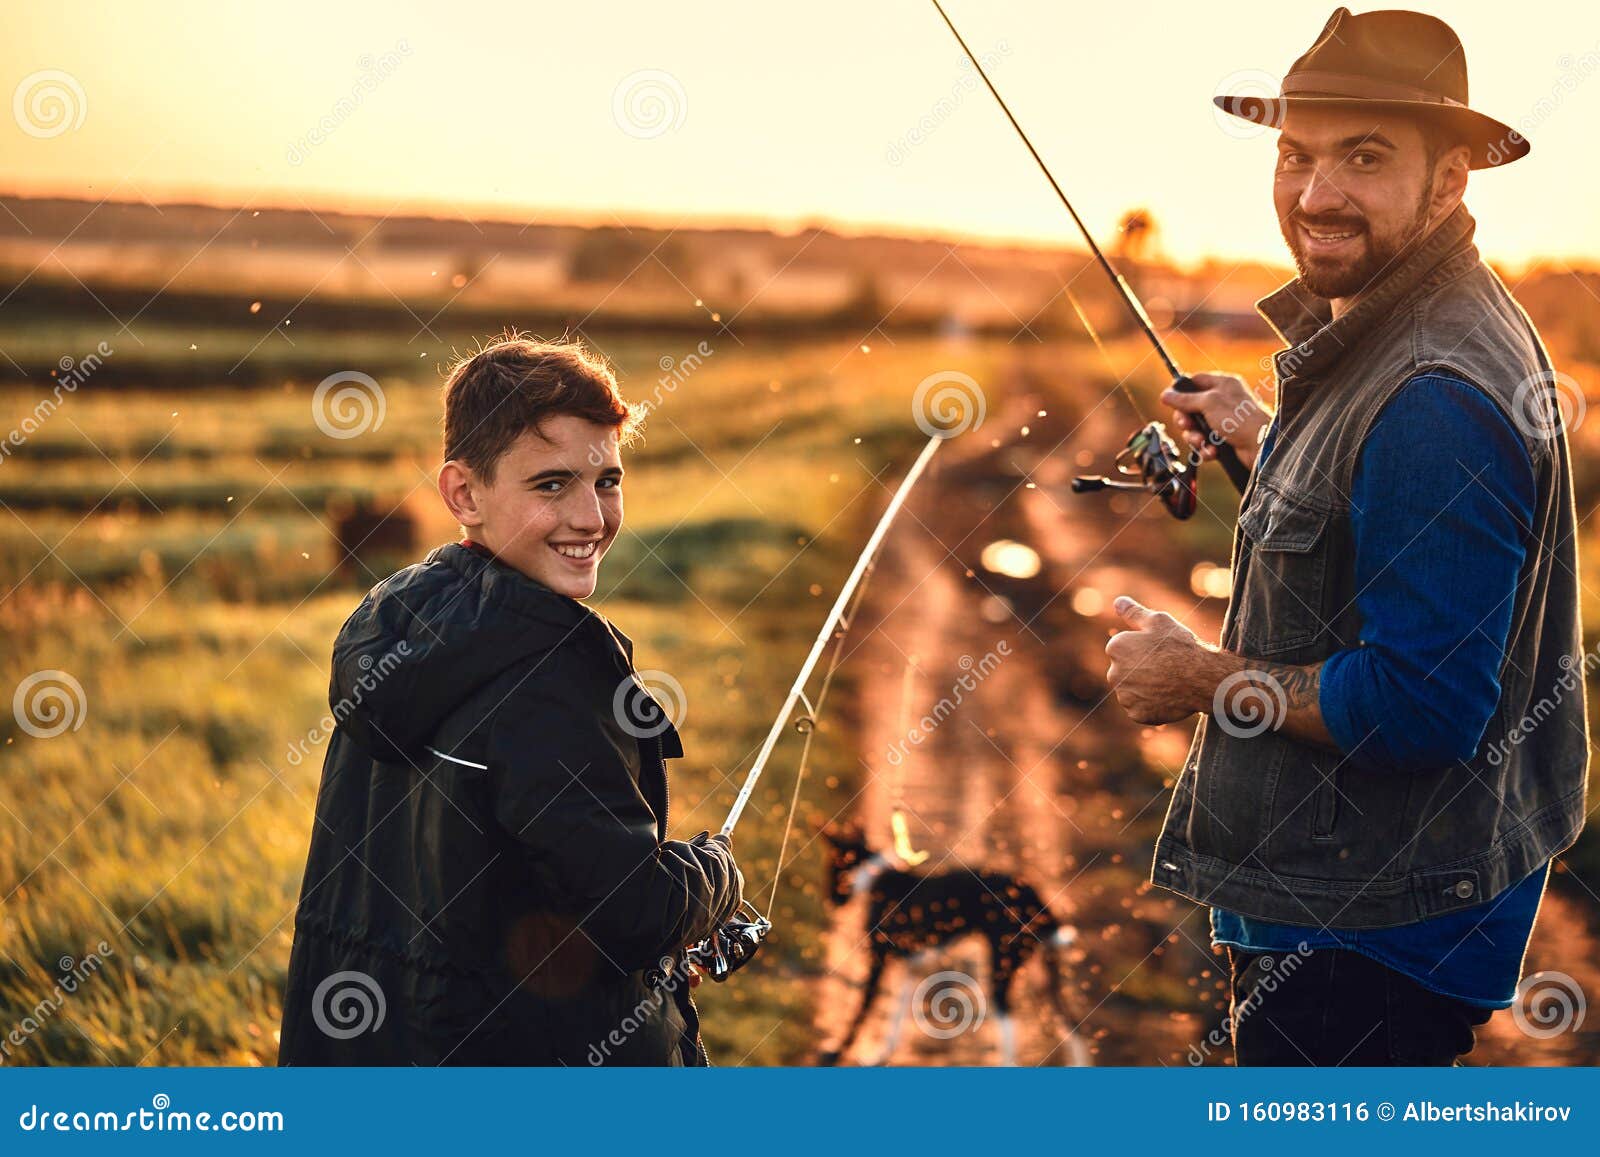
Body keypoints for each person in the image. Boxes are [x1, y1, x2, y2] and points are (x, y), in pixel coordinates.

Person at [1103, 8, 1587, 1065]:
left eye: (1364, 158)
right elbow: (1387, 524)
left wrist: (1195, 680)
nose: (1315, 194)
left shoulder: (1430, 390)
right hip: (1369, 907)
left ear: (1450, 178)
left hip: (1363, 935)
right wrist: (1256, 438)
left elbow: (1418, 707)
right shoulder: (1407, 334)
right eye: (1295, 154)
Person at [278, 335, 743, 1066]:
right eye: (552, 485)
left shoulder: (396, 621)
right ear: (464, 493)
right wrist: (717, 872)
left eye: (608, 480)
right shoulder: (553, 676)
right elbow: (635, 914)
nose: (591, 517)